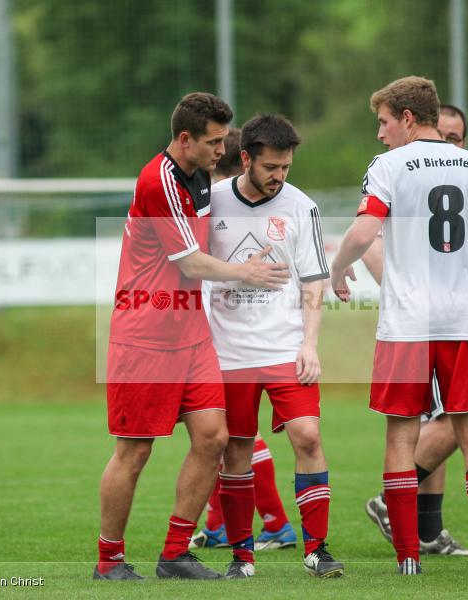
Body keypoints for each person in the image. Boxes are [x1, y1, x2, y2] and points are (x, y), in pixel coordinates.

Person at [330, 76, 468, 575]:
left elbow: (366, 229)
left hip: (407, 325)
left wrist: (336, 267)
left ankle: (408, 557)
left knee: (401, 434)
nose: (380, 134)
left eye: (384, 122)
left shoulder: (389, 166)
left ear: (408, 119)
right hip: (466, 321)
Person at [96, 93, 290, 581]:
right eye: (212, 141)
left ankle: (175, 553)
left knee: (213, 438)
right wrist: (246, 273)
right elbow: (189, 263)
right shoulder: (157, 180)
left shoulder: (202, 172)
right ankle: (109, 560)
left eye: (225, 140)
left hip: (191, 332)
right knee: (135, 452)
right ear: (185, 139)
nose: (221, 150)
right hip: (145, 335)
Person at [207, 114, 343, 578]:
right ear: (245, 158)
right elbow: (189, 262)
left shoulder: (301, 206)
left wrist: (310, 344)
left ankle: (317, 550)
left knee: (308, 435)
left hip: (286, 348)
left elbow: (313, 281)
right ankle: (241, 556)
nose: (279, 177)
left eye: (286, 168)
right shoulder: (214, 200)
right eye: (271, 168)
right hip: (228, 351)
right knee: (237, 448)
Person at [362, 104, 468, 557]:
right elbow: (370, 238)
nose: (451, 144)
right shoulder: (399, 174)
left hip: (455, 316)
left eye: (458, 137)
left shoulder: (464, 178)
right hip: (422, 322)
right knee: (454, 420)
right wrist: (408, 294)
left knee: (440, 419)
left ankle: (428, 532)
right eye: (444, 134)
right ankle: (390, 501)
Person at [192, 128, 299, 552]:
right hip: (212, 330)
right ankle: (222, 524)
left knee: (228, 437)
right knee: (220, 439)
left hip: (224, 337)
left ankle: (274, 523)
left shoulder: (218, 202)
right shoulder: (211, 200)